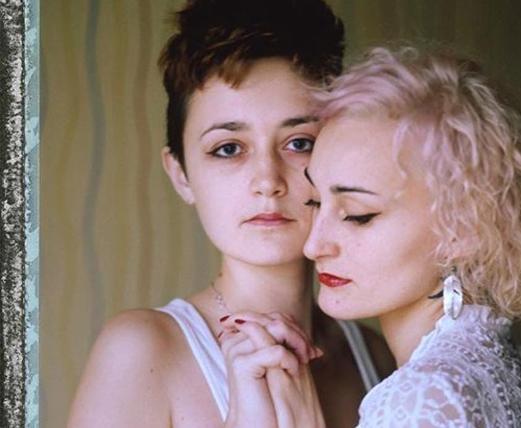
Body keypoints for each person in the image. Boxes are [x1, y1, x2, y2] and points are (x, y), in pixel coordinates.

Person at [67, 1, 394, 427]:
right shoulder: (141, 353)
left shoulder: (372, 353)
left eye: (299, 143)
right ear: (181, 174)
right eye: (228, 149)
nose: (267, 180)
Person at [221, 46, 521, 426]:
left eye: (358, 216)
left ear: (463, 229)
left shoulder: (419, 400)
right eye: (315, 201)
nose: (313, 246)